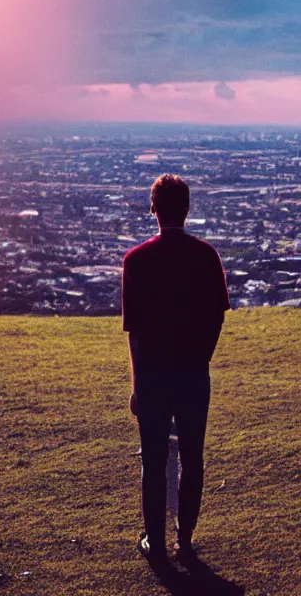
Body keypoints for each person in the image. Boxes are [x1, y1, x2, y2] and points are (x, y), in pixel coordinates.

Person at [122, 173, 230, 561]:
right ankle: (185, 539)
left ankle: (156, 542)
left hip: (151, 376)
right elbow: (218, 318)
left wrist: (136, 385)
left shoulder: (135, 260)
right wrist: (201, 359)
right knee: (192, 457)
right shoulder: (206, 256)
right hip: (192, 374)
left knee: (153, 462)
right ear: (187, 209)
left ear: (153, 209)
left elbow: (132, 333)